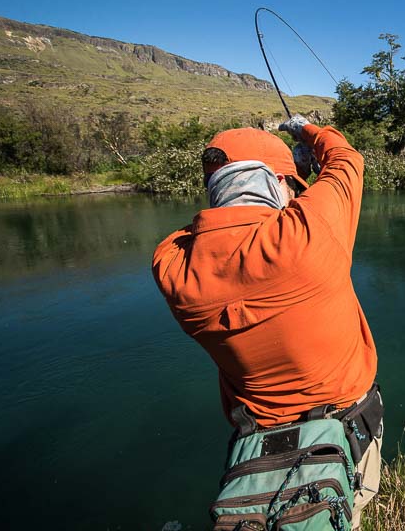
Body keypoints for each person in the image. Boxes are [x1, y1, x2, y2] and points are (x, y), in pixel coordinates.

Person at [151, 115, 381, 529]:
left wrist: (278, 183)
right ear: (273, 183)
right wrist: (308, 133)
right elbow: (346, 160)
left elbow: (203, 233)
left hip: (255, 449)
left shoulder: (173, 269)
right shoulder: (308, 231)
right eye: (290, 184)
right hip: (343, 436)